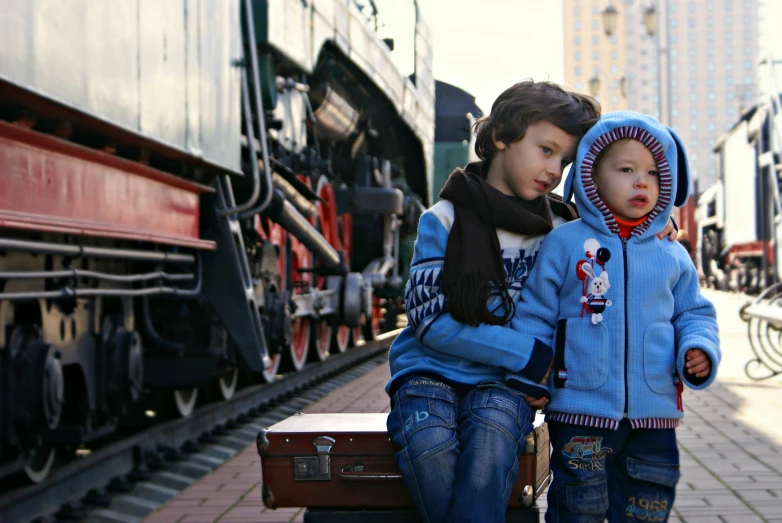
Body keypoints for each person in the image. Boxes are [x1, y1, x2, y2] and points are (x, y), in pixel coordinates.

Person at [385, 80, 676, 523]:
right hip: (429, 370)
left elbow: (619, 238)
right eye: (546, 150)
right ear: (501, 135)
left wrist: (656, 227)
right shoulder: (441, 220)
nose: (555, 169)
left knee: (489, 450)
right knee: (427, 447)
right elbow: (428, 320)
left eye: (565, 160)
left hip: (504, 383)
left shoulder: (562, 224)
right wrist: (529, 354)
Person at [509, 111, 721, 522]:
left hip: (654, 416)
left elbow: (694, 313)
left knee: (647, 506)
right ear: (590, 174)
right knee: (578, 507)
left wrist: (699, 348)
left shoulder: (671, 254)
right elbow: (535, 313)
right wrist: (531, 371)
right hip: (580, 411)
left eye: (655, 174)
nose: (642, 181)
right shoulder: (565, 243)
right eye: (626, 169)